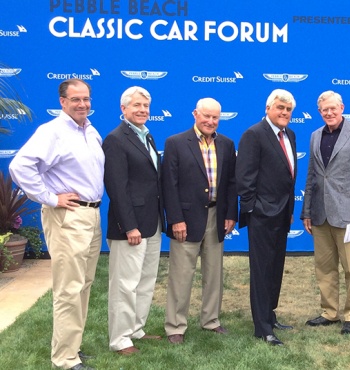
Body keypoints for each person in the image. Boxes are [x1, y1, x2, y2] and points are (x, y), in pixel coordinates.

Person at [9, 78, 103, 370]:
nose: (82, 104)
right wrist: (49, 197)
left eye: (86, 99)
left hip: (91, 215)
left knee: (83, 284)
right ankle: (64, 359)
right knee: (68, 288)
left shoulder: (90, 130)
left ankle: (71, 347)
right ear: (62, 102)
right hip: (68, 217)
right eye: (76, 99)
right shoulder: (52, 132)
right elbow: (19, 166)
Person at [162, 98, 238, 345]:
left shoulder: (226, 144)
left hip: (216, 216)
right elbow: (169, 185)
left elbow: (231, 183)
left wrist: (230, 214)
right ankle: (175, 326)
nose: (210, 121)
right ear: (195, 114)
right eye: (206, 116)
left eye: (215, 117)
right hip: (185, 219)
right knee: (181, 274)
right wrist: (175, 219)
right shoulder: (175, 143)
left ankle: (211, 320)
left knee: (214, 273)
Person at [301, 90, 350, 335]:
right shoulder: (314, 136)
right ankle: (329, 312)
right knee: (324, 267)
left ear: (342, 107)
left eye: (333, 108)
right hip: (320, 214)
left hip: (349, 215)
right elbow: (311, 176)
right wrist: (307, 211)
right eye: (324, 110)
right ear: (319, 112)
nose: (329, 113)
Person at [103, 86, 164, 355]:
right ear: (123, 109)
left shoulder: (146, 136)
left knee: (145, 280)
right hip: (130, 226)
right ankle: (120, 339)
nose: (142, 110)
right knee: (124, 285)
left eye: (146, 106)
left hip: (152, 223)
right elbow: (117, 187)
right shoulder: (116, 139)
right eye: (137, 105)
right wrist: (129, 225)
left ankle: (136, 328)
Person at [236, 89, 298, 346]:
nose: (284, 113)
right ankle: (262, 328)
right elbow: (244, 178)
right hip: (262, 215)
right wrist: (254, 210)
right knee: (261, 271)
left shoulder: (290, 134)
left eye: (288, 110)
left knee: (275, 268)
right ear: (268, 108)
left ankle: (269, 315)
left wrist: (289, 210)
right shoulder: (254, 134)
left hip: (282, 214)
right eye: (280, 108)